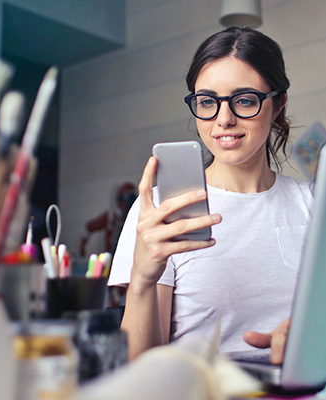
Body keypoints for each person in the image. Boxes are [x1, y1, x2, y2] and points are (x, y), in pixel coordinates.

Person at [108, 27, 314, 364]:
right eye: (207, 102)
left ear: (277, 105)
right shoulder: (162, 210)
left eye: (244, 100)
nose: (224, 119)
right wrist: (143, 278)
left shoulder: (314, 205)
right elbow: (141, 369)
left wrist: (312, 335)